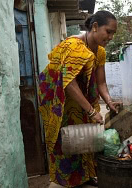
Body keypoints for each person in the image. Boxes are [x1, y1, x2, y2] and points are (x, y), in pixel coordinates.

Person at [38, 10, 120, 187]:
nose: (111, 37)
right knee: (69, 140)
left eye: (113, 33)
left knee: (90, 138)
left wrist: (109, 102)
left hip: (82, 100)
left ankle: (88, 175)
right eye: (109, 31)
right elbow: (68, 83)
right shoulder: (74, 46)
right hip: (63, 101)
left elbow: (101, 83)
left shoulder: (100, 52)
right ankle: (70, 181)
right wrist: (90, 111)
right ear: (95, 27)